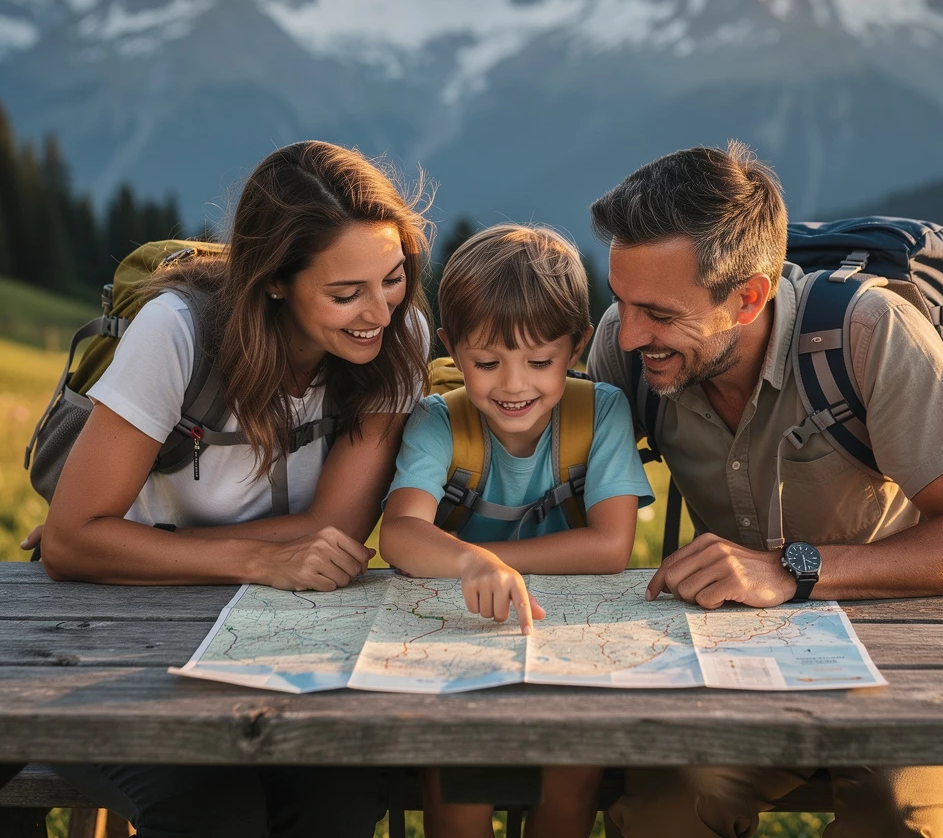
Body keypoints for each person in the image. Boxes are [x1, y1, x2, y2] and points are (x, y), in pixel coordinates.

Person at [586, 142, 943, 838]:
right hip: (736, 659)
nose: (631, 333)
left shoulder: (868, 333)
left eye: (660, 315)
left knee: (897, 817)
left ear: (749, 297)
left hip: (915, 656)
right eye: (620, 302)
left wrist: (792, 569)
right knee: (664, 812)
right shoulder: (627, 343)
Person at [34, 140, 432, 838]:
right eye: (346, 293)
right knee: (214, 809)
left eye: (393, 278)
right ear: (275, 281)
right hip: (117, 639)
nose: (380, 311)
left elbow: (332, 531)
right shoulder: (177, 331)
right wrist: (259, 558)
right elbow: (70, 544)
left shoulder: (399, 339)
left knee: (336, 800)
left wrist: (138, 541)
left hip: (284, 642)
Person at [379, 224, 654, 838]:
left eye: (539, 361)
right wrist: (474, 566)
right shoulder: (436, 421)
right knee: (457, 773)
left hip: (571, 647)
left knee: (574, 768)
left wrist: (494, 560)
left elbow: (611, 547)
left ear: (576, 347)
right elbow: (398, 533)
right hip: (453, 644)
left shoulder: (601, 411)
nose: (512, 385)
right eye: (485, 363)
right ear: (451, 349)